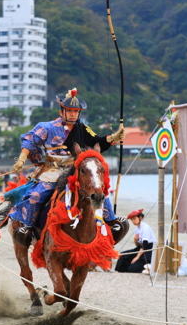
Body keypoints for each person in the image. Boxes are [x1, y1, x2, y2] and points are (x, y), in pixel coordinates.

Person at [10, 88, 126, 248]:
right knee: (36, 195)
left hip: (75, 171)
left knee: (99, 192)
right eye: (70, 111)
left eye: (76, 112)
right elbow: (30, 141)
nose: (73, 114)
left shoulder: (82, 128)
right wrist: (22, 159)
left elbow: (97, 140)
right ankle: (28, 228)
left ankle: (112, 222)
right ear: (61, 111)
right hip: (52, 171)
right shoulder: (46, 127)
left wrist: (113, 138)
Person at [115, 209, 157, 273]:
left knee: (132, 268)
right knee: (123, 256)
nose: (133, 221)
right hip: (140, 248)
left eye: (134, 219)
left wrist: (137, 257)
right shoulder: (137, 229)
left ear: (140, 218)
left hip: (148, 250)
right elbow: (138, 245)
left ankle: (144, 269)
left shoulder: (145, 228)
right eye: (132, 219)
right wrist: (135, 240)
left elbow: (144, 244)